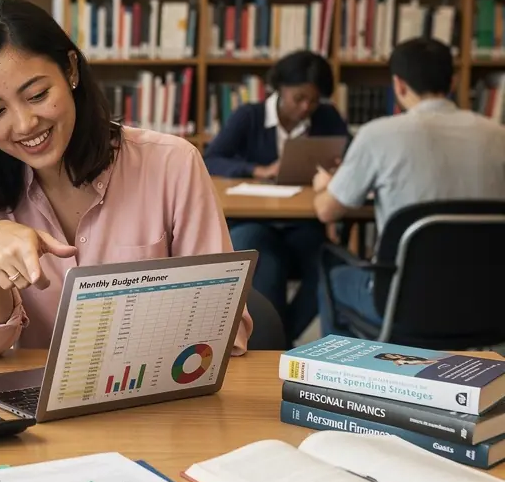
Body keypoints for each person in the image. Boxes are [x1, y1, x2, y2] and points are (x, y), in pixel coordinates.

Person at [0, 0, 251, 359]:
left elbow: (224, 330)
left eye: (37, 95)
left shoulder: (172, 164)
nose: (24, 124)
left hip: (156, 398)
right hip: (42, 407)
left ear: (71, 70)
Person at [314, 37, 505, 335]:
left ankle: (339, 374)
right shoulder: (499, 135)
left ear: (399, 85)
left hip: (405, 303)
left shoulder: (378, 134)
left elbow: (327, 212)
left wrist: (325, 184)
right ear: (452, 82)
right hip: (490, 302)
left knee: (332, 273)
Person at [203, 51, 348, 346]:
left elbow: (349, 159)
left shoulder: (327, 118)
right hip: (252, 220)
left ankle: (280, 341)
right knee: (266, 267)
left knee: (328, 270)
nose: (306, 107)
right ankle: (274, 344)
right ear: (280, 89)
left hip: (303, 223)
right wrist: (257, 169)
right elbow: (212, 159)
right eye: (299, 98)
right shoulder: (250, 116)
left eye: (313, 100)